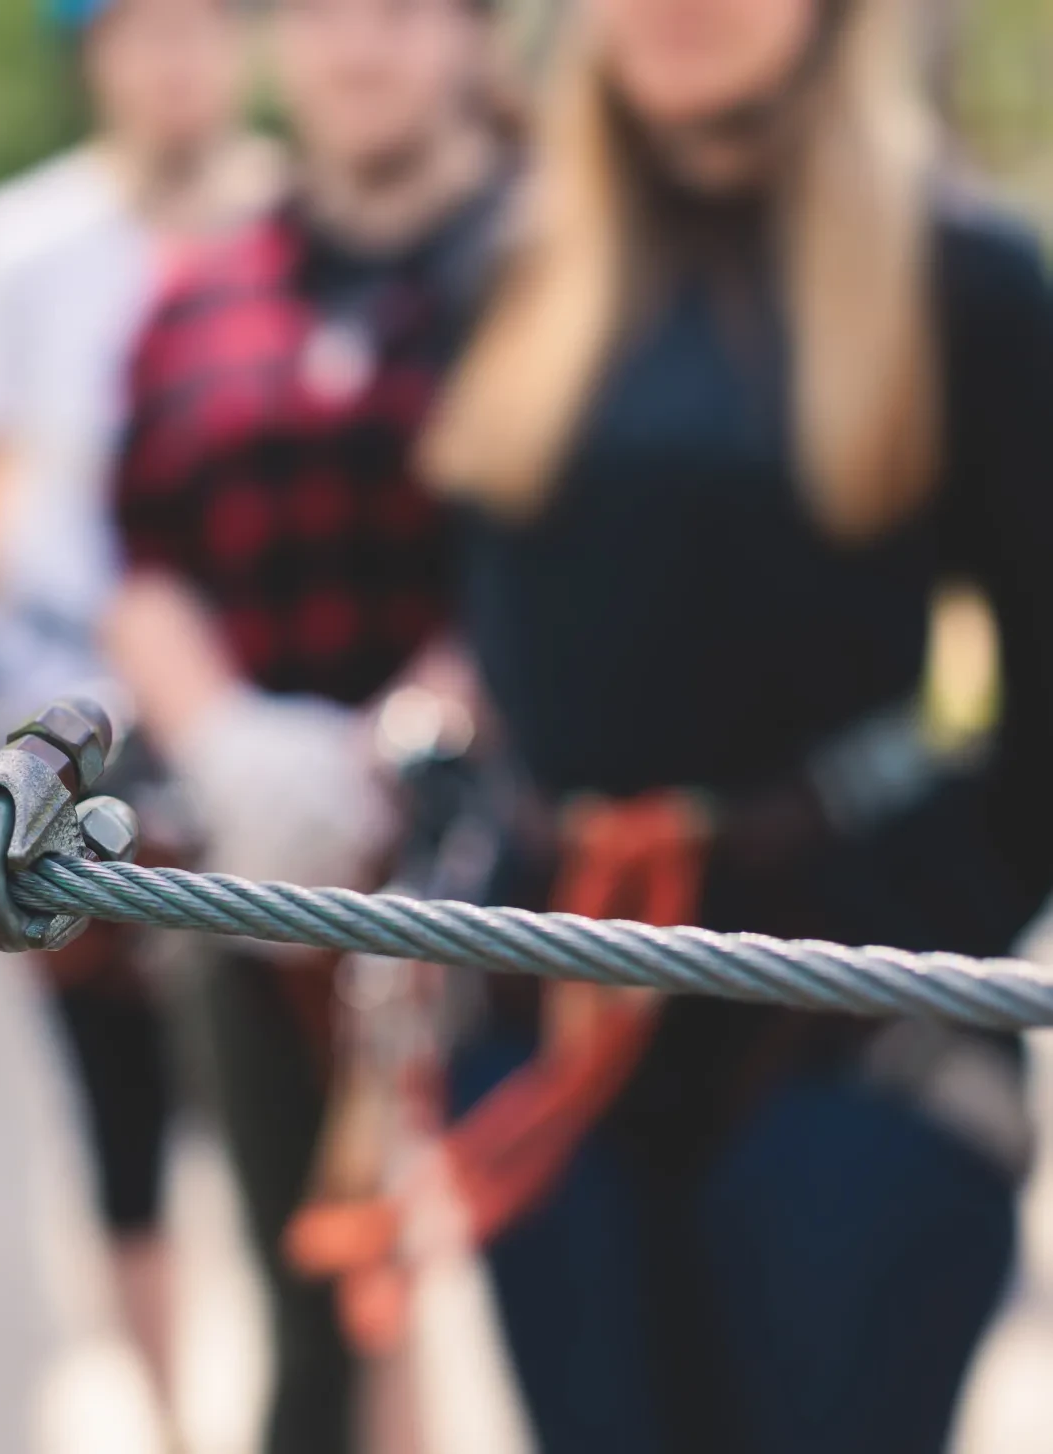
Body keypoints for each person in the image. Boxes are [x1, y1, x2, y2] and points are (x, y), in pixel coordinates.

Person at [399, 0, 1053, 1448]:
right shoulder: (503, 266)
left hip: (857, 1020)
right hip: (552, 1002)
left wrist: (949, 918)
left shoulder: (968, 279)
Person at [98, 1, 508, 1449]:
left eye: (404, 13)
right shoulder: (202, 290)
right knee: (307, 1316)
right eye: (330, 11)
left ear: (471, 39)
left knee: (539, 1321)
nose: (364, 46)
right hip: (260, 878)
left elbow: (570, 556)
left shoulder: (554, 266)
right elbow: (141, 559)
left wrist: (409, 746)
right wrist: (229, 743)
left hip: (510, 884)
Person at [0, 0, 279, 1427]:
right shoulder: (18, 244)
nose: (177, 58)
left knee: (322, 1097)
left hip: (275, 715)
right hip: (76, 719)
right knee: (119, 1100)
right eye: (145, 29)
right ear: (97, 53)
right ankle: (170, 1412)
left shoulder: (307, 228)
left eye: (204, 25)